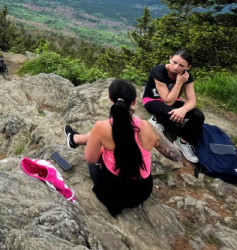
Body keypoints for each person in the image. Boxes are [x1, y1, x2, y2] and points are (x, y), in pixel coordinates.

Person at [63, 79, 180, 217]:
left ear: (110, 98)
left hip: (112, 192)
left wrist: (102, 147)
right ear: (135, 102)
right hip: (141, 192)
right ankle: (75, 139)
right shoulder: (148, 127)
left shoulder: (101, 127)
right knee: (103, 135)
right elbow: (175, 156)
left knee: (98, 141)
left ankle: (74, 139)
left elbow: (90, 159)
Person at [142, 50, 204, 164]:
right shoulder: (159, 71)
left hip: (173, 102)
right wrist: (179, 83)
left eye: (181, 65)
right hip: (153, 100)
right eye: (174, 62)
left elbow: (191, 100)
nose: (175, 67)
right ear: (170, 58)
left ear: (188, 67)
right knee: (171, 112)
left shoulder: (187, 77)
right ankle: (156, 120)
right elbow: (167, 101)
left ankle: (183, 142)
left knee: (199, 116)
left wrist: (183, 110)